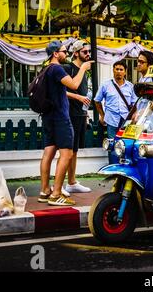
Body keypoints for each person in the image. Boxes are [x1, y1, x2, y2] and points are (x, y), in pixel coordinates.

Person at [37, 40, 93, 206]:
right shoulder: (56, 69)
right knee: (67, 154)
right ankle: (56, 194)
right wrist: (83, 68)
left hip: (48, 116)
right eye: (64, 51)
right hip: (60, 117)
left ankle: (45, 190)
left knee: (48, 152)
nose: (66, 54)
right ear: (55, 53)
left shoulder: (45, 69)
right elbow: (74, 84)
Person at [62, 40, 92, 194]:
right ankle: (60, 184)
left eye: (89, 52)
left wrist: (85, 111)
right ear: (76, 53)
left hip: (80, 114)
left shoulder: (84, 71)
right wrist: (78, 98)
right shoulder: (68, 68)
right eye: (84, 52)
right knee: (67, 150)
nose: (88, 55)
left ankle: (72, 182)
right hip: (69, 114)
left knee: (75, 151)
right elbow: (60, 91)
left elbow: (84, 93)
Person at [94, 60, 137, 139]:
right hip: (111, 119)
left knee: (125, 145)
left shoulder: (130, 86)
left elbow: (135, 103)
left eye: (121, 70)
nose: (119, 71)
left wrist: (134, 116)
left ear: (125, 72)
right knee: (112, 145)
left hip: (126, 120)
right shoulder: (105, 85)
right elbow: (97, 101)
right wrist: (102, 115)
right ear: (113, 70)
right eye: (116, 69)